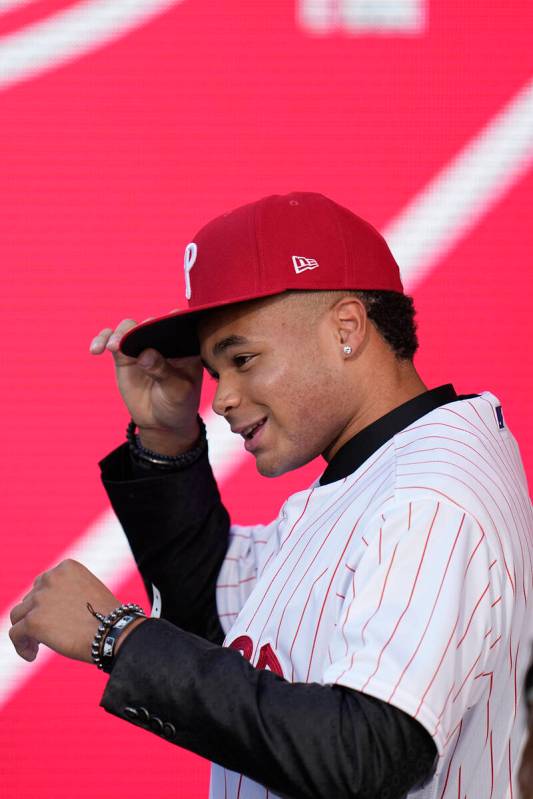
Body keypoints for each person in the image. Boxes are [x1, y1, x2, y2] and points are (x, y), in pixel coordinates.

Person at [9, 192, 533, 799]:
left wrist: (119, 637)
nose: (223, 397)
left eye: (243, 358)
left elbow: (368, 753)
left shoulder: (428, 497)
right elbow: (216, 616)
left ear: (347, 328)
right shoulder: (381, 471)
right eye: (214, 371)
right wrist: (167, 438)